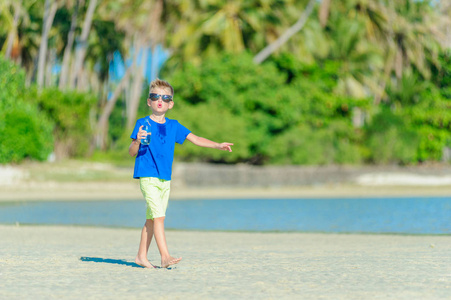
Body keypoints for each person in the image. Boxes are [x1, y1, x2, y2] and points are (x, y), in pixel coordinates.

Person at [129, 78, 233, 268]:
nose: (160, 100)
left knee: (152, 218)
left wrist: (217, 145)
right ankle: (165, 256)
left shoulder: (174, 126)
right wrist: (137, 140)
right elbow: (131, 152)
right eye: (155, 96)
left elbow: (196, 139)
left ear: (170, 104)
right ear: (149, 101)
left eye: (165, 97)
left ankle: (141, 256)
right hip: (147, 175)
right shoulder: (142, 123)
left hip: (165, 178)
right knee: (159, 216)